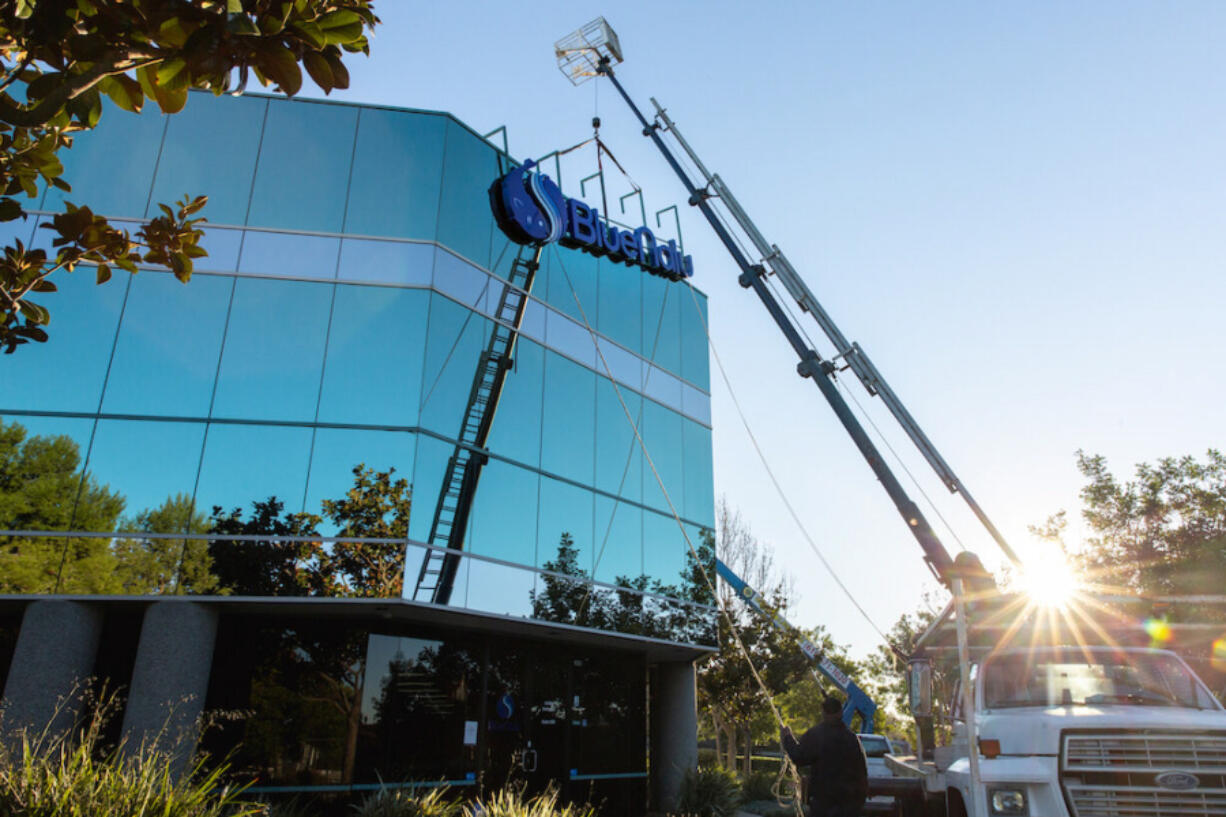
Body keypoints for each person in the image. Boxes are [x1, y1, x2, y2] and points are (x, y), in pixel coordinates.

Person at [780, 695, 868, 817]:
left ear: (823, 713)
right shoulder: (851, 738)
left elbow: (799, 757)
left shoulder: (816, 735)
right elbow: (862, 771)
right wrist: (859, 801)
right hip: (848, 804)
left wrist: (787, 738)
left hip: (823, 803)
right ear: (841, 712)